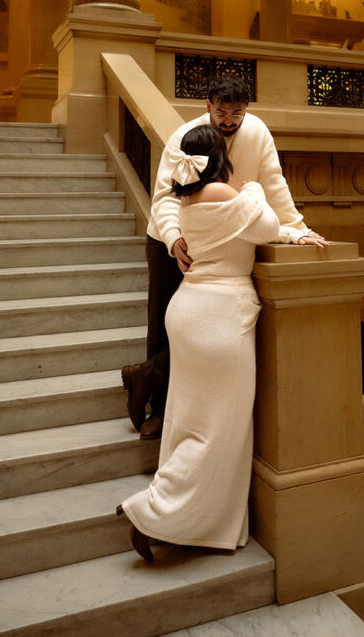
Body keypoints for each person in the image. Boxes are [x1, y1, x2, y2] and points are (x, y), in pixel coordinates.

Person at [121, 74, 327, 440]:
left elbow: (274, 184)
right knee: (164, 324)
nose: (230, 120)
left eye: (237, 113)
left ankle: (146, 374)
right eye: (222, 112)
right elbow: (167, 197)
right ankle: (158, 409)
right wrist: (174, 239)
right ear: (208, 106)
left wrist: (298, 229)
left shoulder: (258, 132)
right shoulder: (186, 137)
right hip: (172, 238)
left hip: (221, 233)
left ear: (246, 109)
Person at [116, 124, 281, 561]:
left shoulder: (184, 200)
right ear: (220, 158)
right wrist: (253, 191)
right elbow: (269, 227)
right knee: (219, 432)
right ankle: (154, 514)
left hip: (188, 313)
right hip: (220, 320)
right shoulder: (228, 196)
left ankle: (171, 510)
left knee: (186, 423)